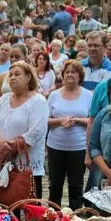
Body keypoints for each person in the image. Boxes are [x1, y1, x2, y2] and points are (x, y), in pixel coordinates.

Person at [0, 60, 49, 196]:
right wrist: (0, 144)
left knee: (28, 203)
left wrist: (7, 149)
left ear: (28, 77)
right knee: (5, 201)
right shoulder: (3, 99)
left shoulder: (38, 101)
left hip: (27, 165)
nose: (12, 78)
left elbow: (35, 133)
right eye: (10, 75)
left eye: (17, 74)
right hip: (3, 162)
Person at [45, 59, 92, 209]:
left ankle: (74, 215)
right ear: (63, 75)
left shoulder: (88, 95)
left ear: (80, 76)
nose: (70, 74)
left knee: (76, 186)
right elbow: (45, 119)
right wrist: (60, 121)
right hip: (55, 147)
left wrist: (76, 120)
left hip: (78, 148)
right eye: (67, 72)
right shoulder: (54, 95)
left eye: (74, 72)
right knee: (55, 184)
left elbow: (92, 120)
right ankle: (53, 215)